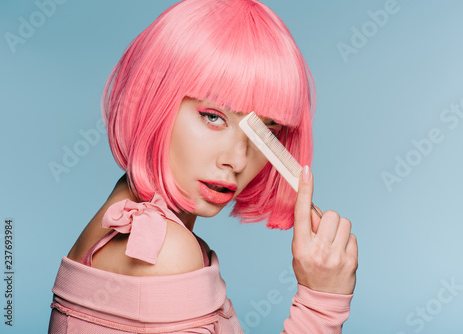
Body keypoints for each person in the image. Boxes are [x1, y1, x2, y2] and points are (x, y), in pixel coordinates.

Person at [48, 0, 358, 332]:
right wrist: (321, 303)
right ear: (156, 100)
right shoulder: (163, 251)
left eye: (265, 131)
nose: (237, 160)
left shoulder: (122, 214)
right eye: (213, 117)